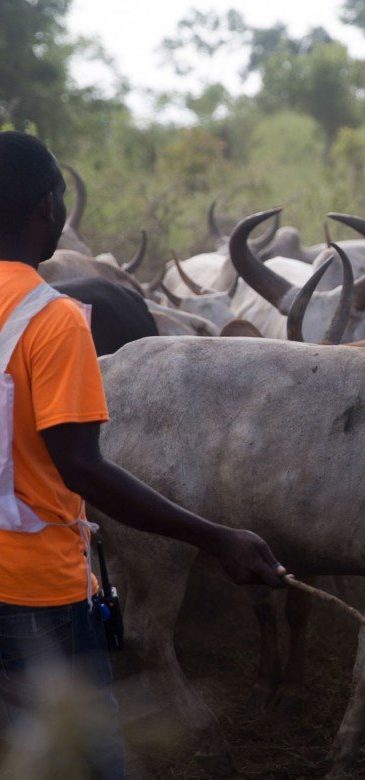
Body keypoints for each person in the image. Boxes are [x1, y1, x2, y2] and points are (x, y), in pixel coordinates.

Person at [0, 131, 286, 777]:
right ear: (49, 206)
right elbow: (81, 466)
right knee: (92, 759)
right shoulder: (52, 319)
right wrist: (215, 537)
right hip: (31, 588)